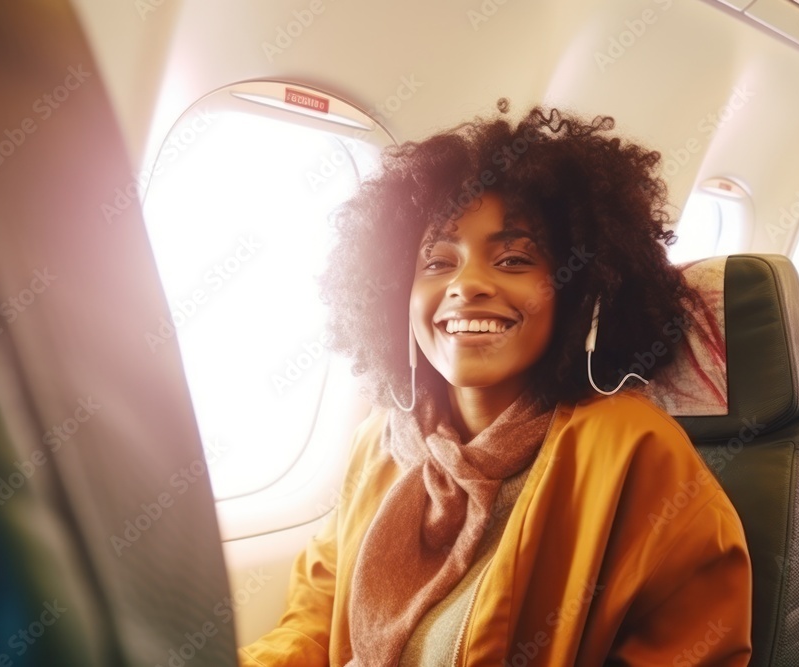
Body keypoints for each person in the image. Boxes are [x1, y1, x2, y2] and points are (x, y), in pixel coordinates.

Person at [238, 105, 752, 666]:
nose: (468, 285)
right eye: (437, 261)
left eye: (512, 259)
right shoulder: (382, 441)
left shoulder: (633, 451)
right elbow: (315, 618)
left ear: (579, 293)